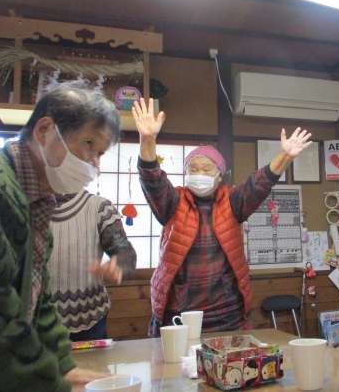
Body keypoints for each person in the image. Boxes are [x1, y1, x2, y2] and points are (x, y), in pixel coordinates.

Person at [132, 98, 312, 336]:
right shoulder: (172, 202)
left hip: (226, 314)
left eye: (206, 169)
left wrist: (285, 156)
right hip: (178, 314)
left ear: (219, 176)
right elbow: (152, 180)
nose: (199, 174)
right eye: (193, 169)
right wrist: (147, 139)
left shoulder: (232, 201)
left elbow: (259, 184)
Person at [0, 82, 120, 391]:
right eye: (88, 144)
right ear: (44, 130)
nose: (94, 163)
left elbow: (38, 300)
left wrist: (64, 366)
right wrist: (53, 381)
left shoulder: (40, 199)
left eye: (100, 154)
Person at [49, 190, 137, 341]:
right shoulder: (25, 205)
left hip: (90, 319)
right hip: (35, 321)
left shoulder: (100, 208)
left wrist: (118, 266)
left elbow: (125, 252)